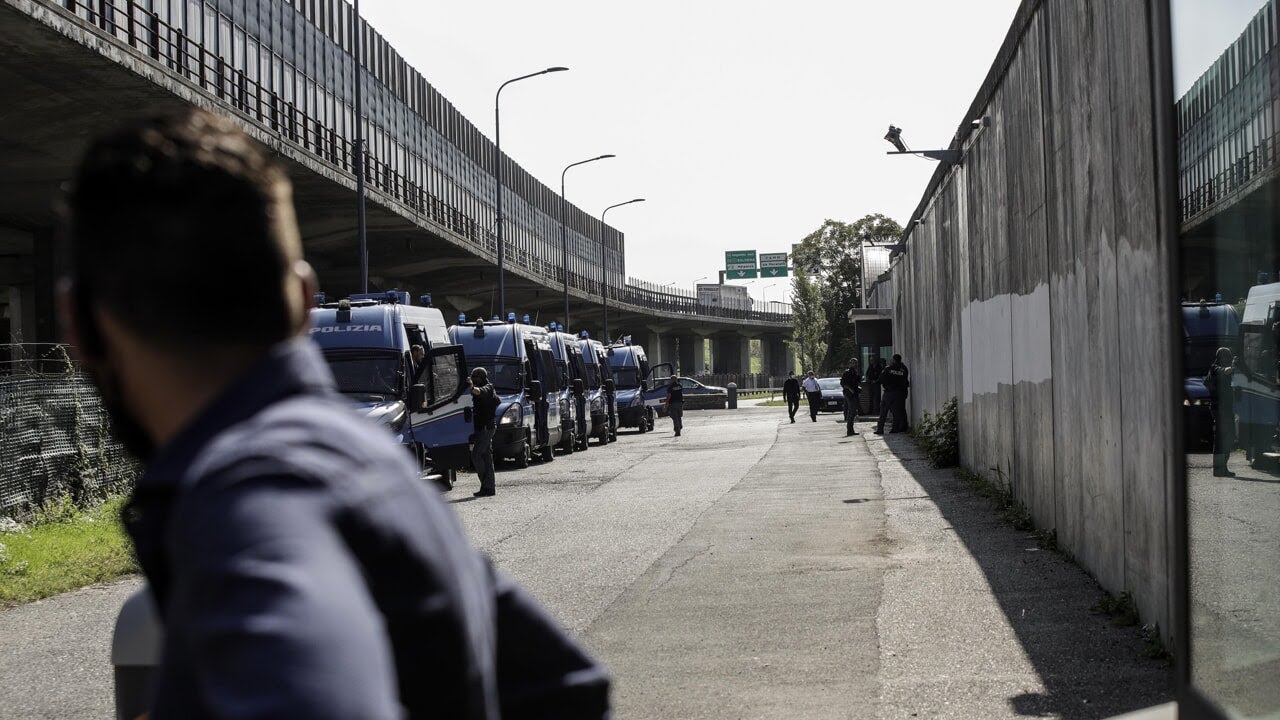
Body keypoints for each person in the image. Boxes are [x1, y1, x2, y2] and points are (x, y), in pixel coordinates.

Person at [59, 109, 609, 718]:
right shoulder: (375, 468)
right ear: (302, 302)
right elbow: (565, 689)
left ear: (78, 328)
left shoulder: (249, 505)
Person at [470, 366, 501, 495]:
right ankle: (489, 488)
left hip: (486, 428)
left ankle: (486, 484)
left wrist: (471, 387)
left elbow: (479, 392)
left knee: (476, 455)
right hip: (483, 428)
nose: (474, 379)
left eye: (475, 377)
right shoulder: (487, 387)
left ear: (481, 377)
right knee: (487, 457)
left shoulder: (488, 387)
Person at [1207, 347, 1236, 477]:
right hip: (1219, 408)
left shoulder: (1219, 369)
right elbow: (1223, 371)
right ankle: (1219, 469)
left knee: (1227, 438)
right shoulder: (1215, 368)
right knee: (1221, 439)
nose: (1226, 359)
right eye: (1225, 356)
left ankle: (1222, 467)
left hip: (1225, 408)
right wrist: (1231, 367)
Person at [875, 354, 911, 435]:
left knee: (883, 411)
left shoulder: (888, 368)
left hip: (889, 392)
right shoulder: (904, 369)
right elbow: (905, 380)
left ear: (894, 360)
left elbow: (881, 379)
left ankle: (880, 429)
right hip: (900, 393)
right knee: (896, 412)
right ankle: (895, 429)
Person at [840, 360, 862, 436]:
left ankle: (851, 430)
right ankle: (849, 430)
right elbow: (843, 383)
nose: (855, 364)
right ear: (850, 364)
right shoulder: (847, 373)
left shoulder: (855, 372)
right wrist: (850, 389)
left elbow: (857, 382)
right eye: (853, 363)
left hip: (854, 393)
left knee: (854, 412)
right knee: (852, 411)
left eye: (856, 363)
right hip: (849, 394)